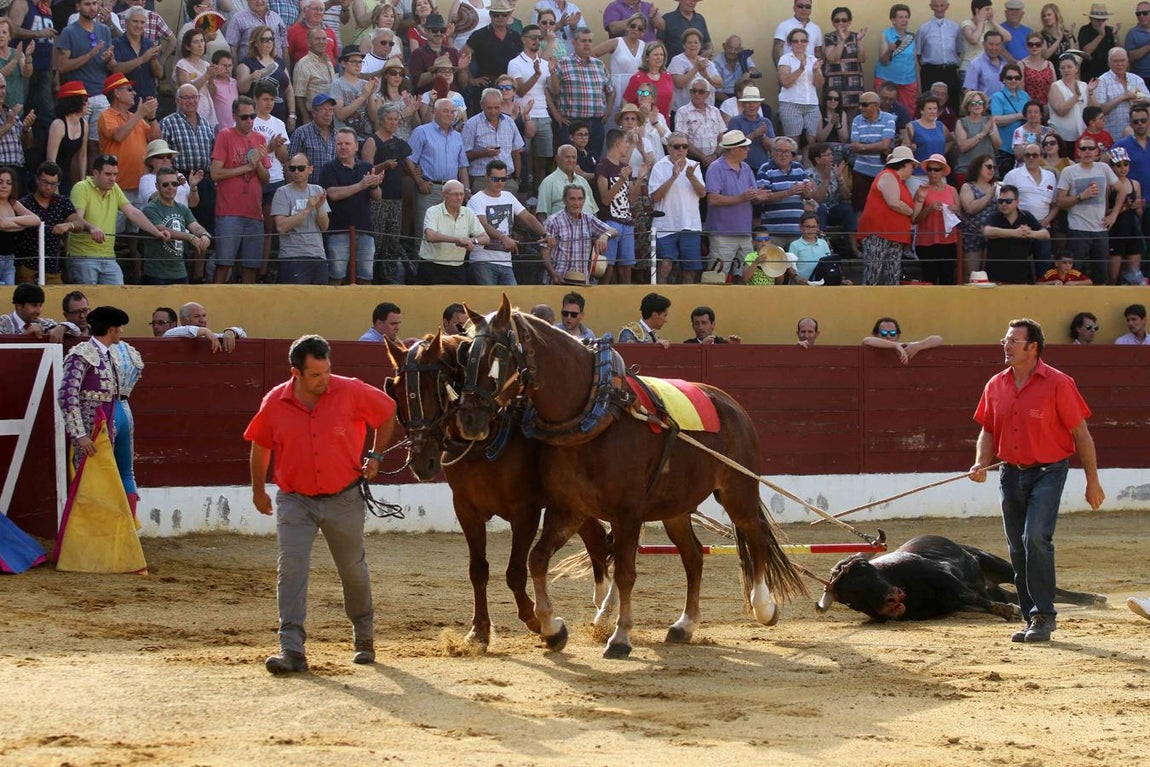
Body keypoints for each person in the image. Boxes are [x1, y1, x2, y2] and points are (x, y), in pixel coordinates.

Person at [245, 333, 397, 674]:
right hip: (295, 500)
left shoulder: (351, 390)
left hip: (344, 496)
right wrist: (258, 489)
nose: (323, 380)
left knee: (352, 568)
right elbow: (261, 445)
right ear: (295, 372)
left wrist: (375, 454)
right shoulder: (275, 401)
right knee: (292, 568)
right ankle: (292, 649)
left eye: (327, 371)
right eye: (315, 374)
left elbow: (388, 411)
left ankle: (364, 638)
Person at [969, 317, 1104, 643]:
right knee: (1018, 546)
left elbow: (1081, 435)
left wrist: (1092, 481)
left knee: (1035, 538)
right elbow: (987, 429)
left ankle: (1044, 615)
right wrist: (980, 462)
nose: (1006, 345)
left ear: (1033, 347)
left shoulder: (1058, 383)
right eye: (1006, 339)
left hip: (1048, 471)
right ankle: (1031, 615)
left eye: (1014, 340)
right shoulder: (996, 384)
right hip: (1010, 473)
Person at [68, 154, 171, 285]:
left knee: (117, 298)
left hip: (109, 256)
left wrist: (156, 232)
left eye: (115, 174)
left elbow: (133, 212)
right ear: (95, 173)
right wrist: (92, 228)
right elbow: (77, 218)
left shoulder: (114, 188)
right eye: (108, 174)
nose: (113, 179)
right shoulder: (81, 187)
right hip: (83, 256)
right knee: (88, 300)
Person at [58, 305, 129, 470]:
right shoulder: (82, 353)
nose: (122, 331)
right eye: (120, 327)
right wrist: (80, 435)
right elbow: (66, 396)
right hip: (87, 434)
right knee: (84, 479)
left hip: (105, 431)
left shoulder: (109, 355)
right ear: (112, 330)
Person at [467, 158, 546, 285]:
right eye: (495, 179)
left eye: (503, 179)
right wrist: (503, 237)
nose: (500, 183)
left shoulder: (508, 196)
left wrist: (545, 234)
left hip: (505, 261)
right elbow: (482, 224)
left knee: (511, 301)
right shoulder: (476, 199)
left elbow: (528, 218)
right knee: (490, 301)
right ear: (486, 177)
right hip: (482, 260)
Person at [321, 128, 382, 285]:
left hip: (364, 229)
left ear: (356, 146)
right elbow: (332, 194)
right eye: (339, 143)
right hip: (338, 230)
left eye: (347, 143)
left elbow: (377, 197)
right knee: (336, 274)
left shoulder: (366, 167)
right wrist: (361, 185)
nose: (343, 147)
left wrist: (374, 186)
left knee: (366, 275)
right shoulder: (329, 168)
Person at [1057, 135, 1120, 285]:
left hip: (1100, 229)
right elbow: (1060, 201)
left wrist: (1114, 215)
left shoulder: (1103, 168)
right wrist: (1081, 196)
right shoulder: (1068, 171)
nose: (1087, 151)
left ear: (1097, 151)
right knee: (1074, 274)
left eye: (1091, 148)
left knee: (1101, 275)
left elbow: (1122, 189)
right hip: (1077, 229)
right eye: (1083, 148)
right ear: (1078, 152)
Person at [648, 131, 704, 284]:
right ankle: (659, 302)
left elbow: (702, 193)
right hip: (666, 225)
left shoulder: (694, 166)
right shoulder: (659, 166)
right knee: (664, 266)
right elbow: (655, 197)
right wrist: (673, 176)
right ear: (669, 148)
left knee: (690, 270)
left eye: (685, 146)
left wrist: (691, 176)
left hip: (690, 224)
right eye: (677, 146)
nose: (681, 150)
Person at [15, 163, 84, 286]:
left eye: (53, 184)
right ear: (37, 179)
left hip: (53, 270)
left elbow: (79, 223)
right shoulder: (24, 204)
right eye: (45, 182)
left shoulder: (63, 202)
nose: (48, 187)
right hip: (27, 269)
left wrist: (68, 226)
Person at [595, 128, 647, 285]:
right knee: (608, 267)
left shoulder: (625, 167)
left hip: (627, 222)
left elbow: (631, 198)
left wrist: (640, 179)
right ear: (618, 143)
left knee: (626, 267)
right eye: (626, 142)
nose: (627, 146)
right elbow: (605, 199)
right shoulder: (602, 166)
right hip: (609, 221)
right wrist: (621, 180)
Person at [141, 167, 211, 285]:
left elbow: (195, 226)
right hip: (156, 274)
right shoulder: (150, 208)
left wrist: (204, 235)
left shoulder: (182, 208)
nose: (171, 187)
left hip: (180, 272)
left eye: (174, 184)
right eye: (165, 184)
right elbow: (161, 229)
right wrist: (190, 237)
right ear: (157, 186)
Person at [858, 145, 916, 285]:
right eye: (912, 166)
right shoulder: (888, 175)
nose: (913, 169)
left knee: (892, 275)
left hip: (894, 234)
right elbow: (894, 202)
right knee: (874, 273)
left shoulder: (899, 181)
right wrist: (911, 211)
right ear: (904, 164)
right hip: (879, 232)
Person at [271, 152, 330, 285]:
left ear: (310, 169)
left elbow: (325, 226)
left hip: (317, 255)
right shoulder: (282, 192)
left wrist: (319, 208)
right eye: (292, 168)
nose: (296, 172)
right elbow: (281, 227)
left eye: (301, 168)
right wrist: (307, 209)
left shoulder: (317, 190)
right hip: (292, 255)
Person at [540, 183, 616, 284]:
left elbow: (614, 231)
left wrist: (604, 236)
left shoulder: (589, 219)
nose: (577, 203)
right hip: (558, 280)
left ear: (584, 200)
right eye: (572, 199)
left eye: (580, 199)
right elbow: (544, 253)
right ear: (564, 200)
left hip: (582, 280)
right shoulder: (552, 221)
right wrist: (553, 274)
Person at [550, 26, 611, 150]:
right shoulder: (563, 63)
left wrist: (607, 114)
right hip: (572, 123)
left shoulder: (599, 64)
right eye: (583, 41)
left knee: (593, 161)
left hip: (595, 123)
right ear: (574, 42)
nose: (587, 44)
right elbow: (552, 91)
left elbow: (610, 90)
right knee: (570, 162)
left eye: (590, 41)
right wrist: (557, 115)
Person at [417, 179, 488, 284]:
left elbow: (486, 238)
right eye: (455, 194)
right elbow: (430, 236)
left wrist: (472, 241)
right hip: (431, 266)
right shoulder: (433, 211)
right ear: (444, 195)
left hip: (457, 267)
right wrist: (458, 240)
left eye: (461, 194)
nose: (459, 198)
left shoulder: (468, 212)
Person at [983, 182, 1050, 284]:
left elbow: (1045, 234)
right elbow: (987, 231)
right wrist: (1015, 233)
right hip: (995, 276)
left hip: (1020, 276)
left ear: (1017, 202)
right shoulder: (994, 216)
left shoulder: (1026, 216)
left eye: (1008, 201)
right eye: (1000, 201)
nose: (1004, 204)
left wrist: (1029, 233)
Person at [238, 24, 294, 128]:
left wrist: (292, 114)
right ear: (255, 43)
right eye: (265, 39)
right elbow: (242, 89)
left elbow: (289, 89)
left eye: (271, 39)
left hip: (280, 116)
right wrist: (251, 78)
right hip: (257, 119)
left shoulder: (279, 62)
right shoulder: (247, 63)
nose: (269, 42)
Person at [849, 91, 897, 213]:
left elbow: (885, 145)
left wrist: (863, 147)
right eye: (860, 104)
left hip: (881, 172)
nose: (860, 108)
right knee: (860, 208)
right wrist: (877, 145)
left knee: (882, 209)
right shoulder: (857, 120)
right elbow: (854, 146)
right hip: (861, 171)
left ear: (875, 105)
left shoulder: (888, 119)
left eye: (864, 104)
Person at [1095, 48, 1149, 145]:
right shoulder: (1102, 81)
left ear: (1127, 61)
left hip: (1138, 136)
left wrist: (1142, 100)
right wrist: (1123, 97)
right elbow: (1099, 110)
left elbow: (1148, 101)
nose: (1120, 64)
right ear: (1109, 63)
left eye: (1122, 60)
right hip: (1114, 137)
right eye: (1116, 61)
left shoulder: (1136, 79)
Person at [1106, 146, 1143, 285]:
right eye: (1118, 165)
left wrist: (1138, 207)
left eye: (1126, 164)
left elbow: (1139, 213)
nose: (1123, 168)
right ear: (1112, 167)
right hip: (1116, 231)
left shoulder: (1135, 184)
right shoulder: (1109, 185)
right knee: (1113, 277)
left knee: (1135, 277)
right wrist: (1123, 207)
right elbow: (1104, 212)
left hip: (1132, 230)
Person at [917, 0, 961, 113]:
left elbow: (959, 50)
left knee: (952, 104)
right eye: (936, 6)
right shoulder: (924, 28)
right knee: (929, 104)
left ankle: (952, 128)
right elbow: (918, 53)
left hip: (949, 71)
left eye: (942, 5)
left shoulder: (955, 27)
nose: (939, 9)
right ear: (931, 7)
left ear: (947, 6)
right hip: (931, 72)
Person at [874, 4, 917, 117]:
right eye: (901, 17)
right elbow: (883, 60)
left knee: (907, 113)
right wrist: (889, 50)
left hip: (908, 81)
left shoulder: (912, 37)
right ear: (893, 20)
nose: (904, 20)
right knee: (883, 111)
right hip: (887, 80)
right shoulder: (886, 34)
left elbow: (915, 62)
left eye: (906, 17)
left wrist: (917, 84)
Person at [536, 144, 598, 219]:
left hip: (588, 228)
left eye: (573, 157)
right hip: (562, 229)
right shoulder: (548, 182)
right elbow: (542, 213)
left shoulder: (583, 181)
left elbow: (594, 210)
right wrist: (547, 231)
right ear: (557, 159)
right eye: (567, 157)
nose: (571, 160)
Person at [824, 8, 867, 116]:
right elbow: (833, 59)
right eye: (837, 20)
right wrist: (842, 40)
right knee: (835, 115)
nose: (840, 23)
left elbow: (862, 59)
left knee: (853, 116)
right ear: (832, 22)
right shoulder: (829, 37)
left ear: (849, 22)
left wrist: (860, 41)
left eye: (844, 20)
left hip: (854, 84)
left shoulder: (855, 36)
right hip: (834, 84)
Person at [0, 282, 77, 340]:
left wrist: (62, 327)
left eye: (40, 305)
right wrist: (24, 336)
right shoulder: (2, 323)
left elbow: (77, 331)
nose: (38, 311)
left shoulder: (43, 323)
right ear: (18, 305)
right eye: (34, 305)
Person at [163, 301, 247, 353]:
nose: (202, 320)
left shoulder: (211, 336)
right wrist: (205, 331)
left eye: (204, 316)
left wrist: (231, 331)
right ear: (183, 320)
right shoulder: (174, 333)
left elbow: (243, 334)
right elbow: (168, 334)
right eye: (196, 316)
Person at [960, 0, 1010, 81]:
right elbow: (973, 40)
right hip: (969, 68)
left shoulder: (989, 24)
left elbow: (1007, 38)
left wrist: (993, 21)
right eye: (987, 9)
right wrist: (981, 21)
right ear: (977, 10)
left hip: (986, 68)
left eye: (990, 9)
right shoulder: (967, 24)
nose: (990, 11)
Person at [862, 316, 943, 365]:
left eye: (892, 333)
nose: (888, 336)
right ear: (876, 334)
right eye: (884, 333)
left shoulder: (906, 347)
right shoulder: (873, 343)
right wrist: (895, 345)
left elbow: (938, 339)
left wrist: (918, 346)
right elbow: (866, 340)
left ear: (898, 335)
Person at [1046, 53, 1088, 144]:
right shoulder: (1055, 86)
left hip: (1082, 135)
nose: (1066, 70)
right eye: (1063, 68)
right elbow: (1061, 111)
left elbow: (1094, 108)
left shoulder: (1084, 85)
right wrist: (1076, 96)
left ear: (1076, 68)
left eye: (1069, 67)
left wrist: (1091, 93)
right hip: (1062, 137)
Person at [773, 0, 823, 69]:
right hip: (790, 72)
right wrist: (780, 71)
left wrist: (819, 71)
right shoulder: (784, 25)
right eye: (800, 6)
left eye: (808, 7)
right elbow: (777, 51)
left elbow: (818, 52)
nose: (804, 9)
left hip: (810, 73)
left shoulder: (816, 28)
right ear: (794, 8)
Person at [1076, 2, 1117, 83]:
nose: (1100, 22)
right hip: (1089, 74)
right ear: (1091, 18)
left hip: (1106, 74)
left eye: (1103, 19)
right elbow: (1086, 51)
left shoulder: (1108, 30)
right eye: (1097, 19)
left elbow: (1114, 52)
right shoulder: (1085, 30)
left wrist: (1116, 36)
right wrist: (1101, 35)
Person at [963, 28, 1007, 97]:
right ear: (984, 44)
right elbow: (969, 91)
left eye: (997, 44)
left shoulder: (1005, 64)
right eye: (991, 44)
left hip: (1005, 106)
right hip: (986, 106)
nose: (994, 48)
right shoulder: (975, 64)